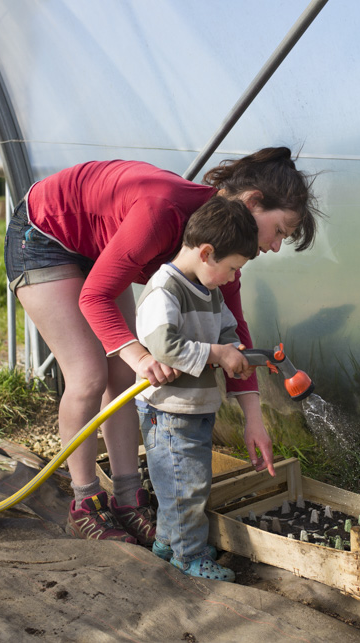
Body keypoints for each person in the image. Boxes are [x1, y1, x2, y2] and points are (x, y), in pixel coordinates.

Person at [3, 147, 321, 546]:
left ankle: (127, 499)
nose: (275, 247)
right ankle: (84, 502)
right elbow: (95, 297)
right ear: (253, 201)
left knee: (119, 375)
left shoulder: (221, 247)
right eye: (279, 231)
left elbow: (235, 333)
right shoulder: (161, 212)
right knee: (88, 374)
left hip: (94, 246)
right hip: (44, 234)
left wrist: (253, 418)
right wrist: (140, 355)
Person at [134, 195, 259, 581]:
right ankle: (189, 558)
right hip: (169, 412)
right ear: (207, 253)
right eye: (232, 267)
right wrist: (218, 353)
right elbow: (162, 344)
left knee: (182, 484)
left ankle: (169, 544)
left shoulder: (210, 289)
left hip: (193, 408)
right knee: (186, 489)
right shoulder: (165, 289)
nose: (233, 277)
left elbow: (224, 327)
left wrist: (232, 345)